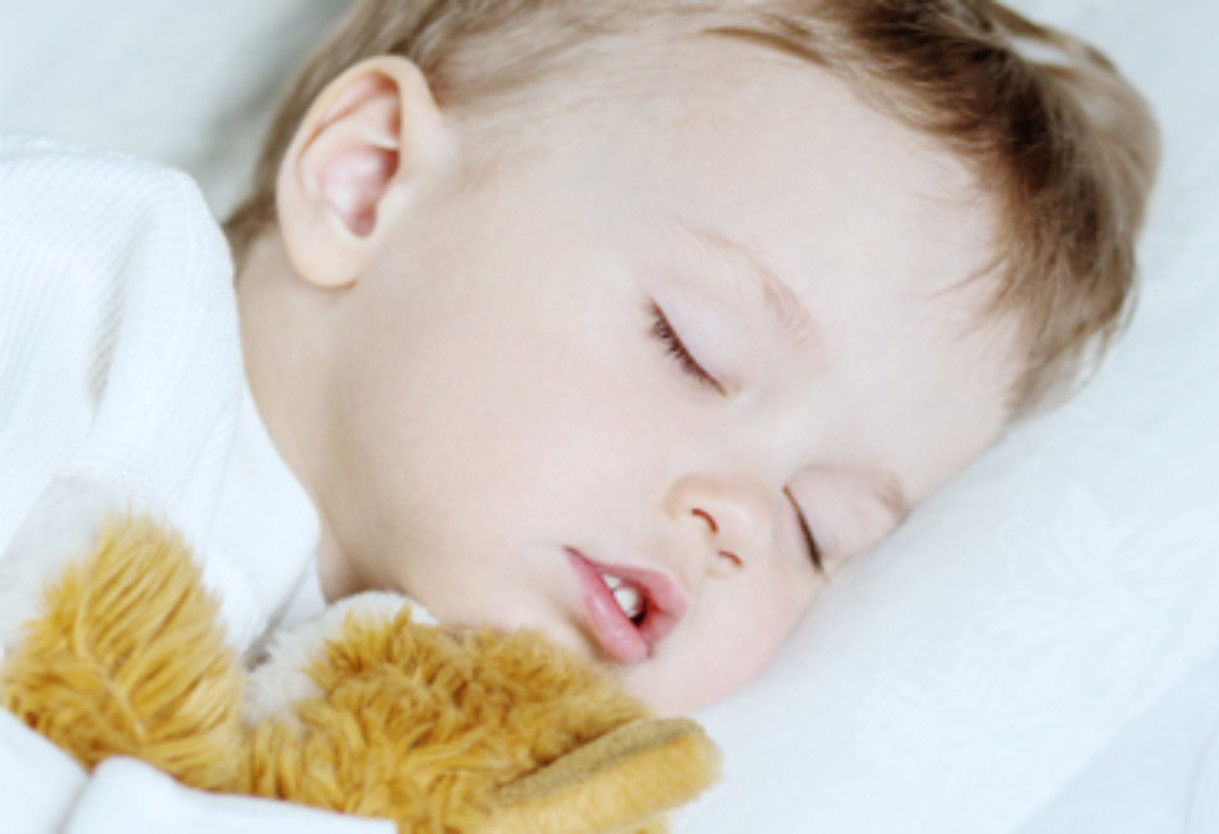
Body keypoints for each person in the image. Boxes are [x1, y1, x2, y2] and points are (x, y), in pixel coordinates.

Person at [0, 1, 1158, 830]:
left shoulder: (494, 775)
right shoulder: (93, 282)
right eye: (690, 350)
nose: (738, 524)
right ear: (367, 181)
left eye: (822, 529)